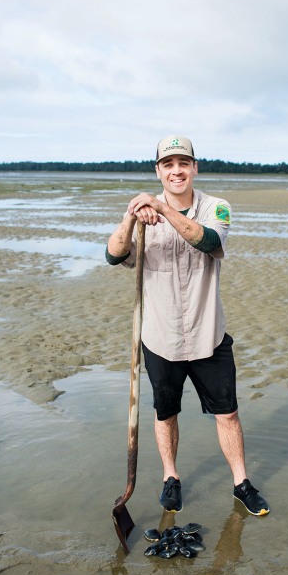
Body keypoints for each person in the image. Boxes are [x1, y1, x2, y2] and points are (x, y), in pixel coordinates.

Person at [106, 135, 269, 517]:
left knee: (227, 413)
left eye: (183, 163)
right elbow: (114, 256)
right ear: (158, 170)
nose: (176, 170)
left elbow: (208, 240)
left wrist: (162, 208)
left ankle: (241, 484)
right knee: (166, 413)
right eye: (168, 164)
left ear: (195, 167)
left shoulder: (218, 208)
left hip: (207, 333)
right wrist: (132, 215)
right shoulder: (143, 216)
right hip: (159, 336)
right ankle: (171, 478)